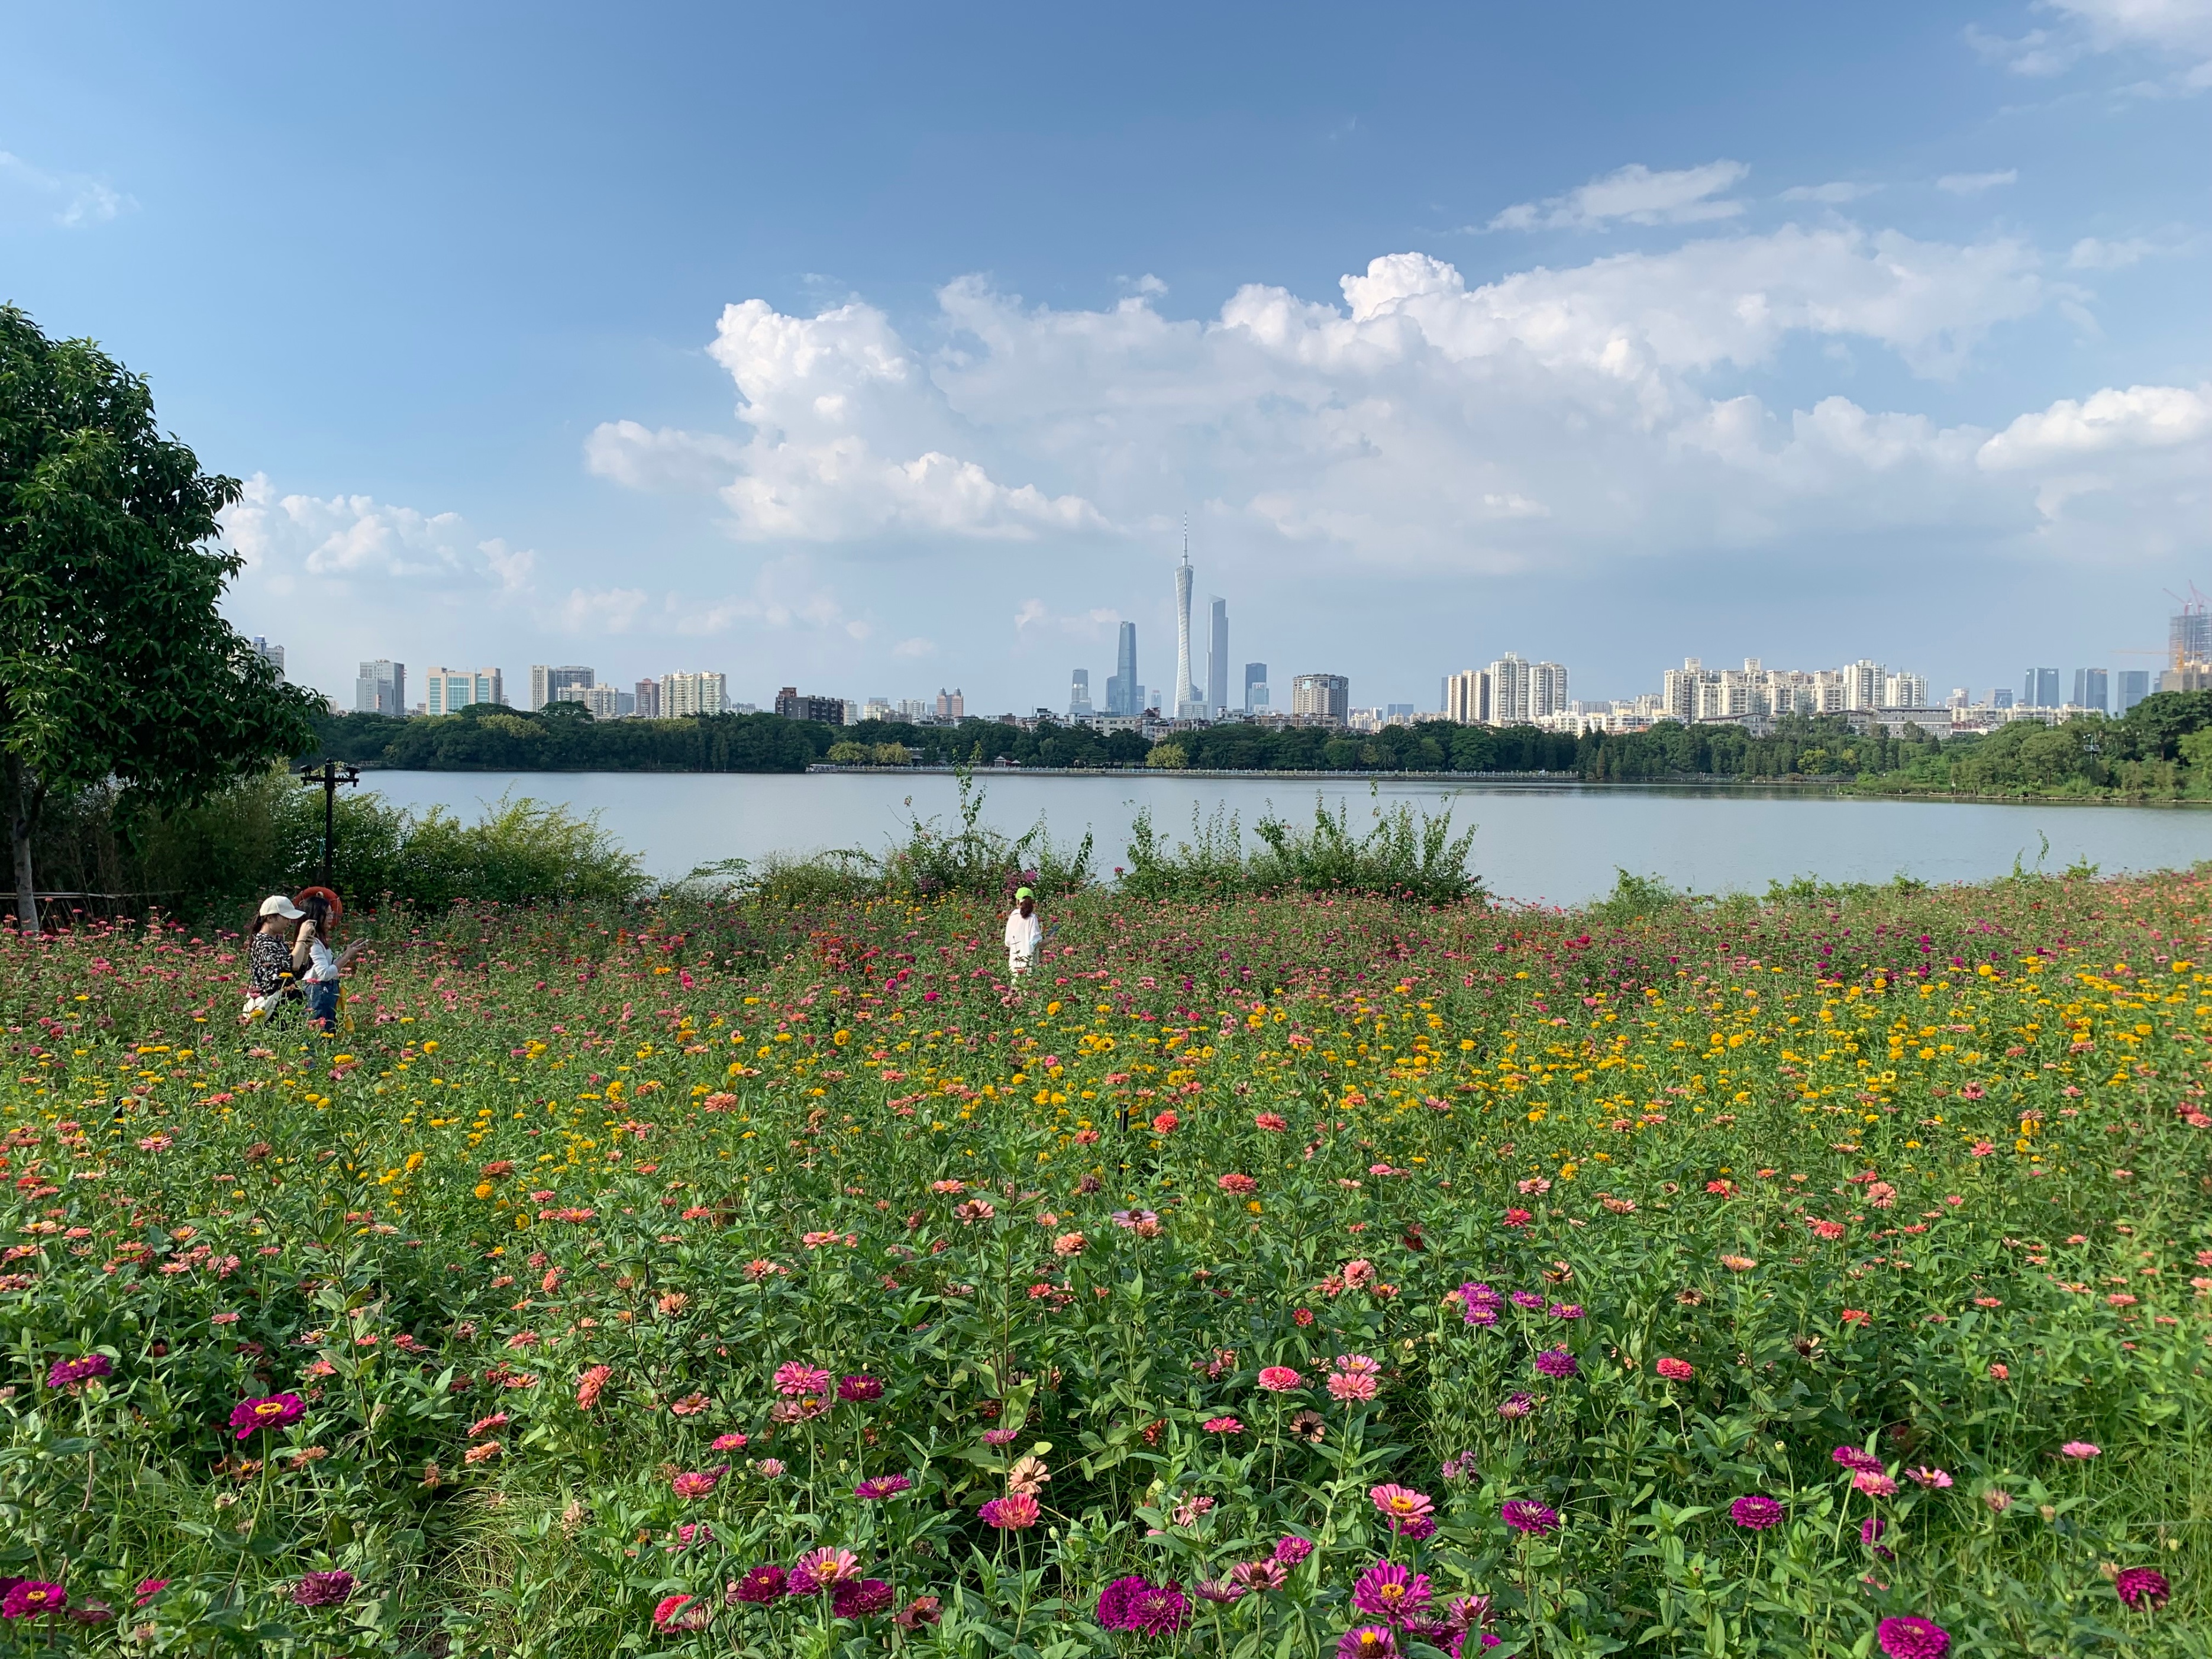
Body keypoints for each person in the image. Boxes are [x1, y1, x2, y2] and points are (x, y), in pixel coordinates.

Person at [292, 890, 366, 1031]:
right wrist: (347, 956)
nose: (331, 918)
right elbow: (325, 974)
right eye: (328, 914)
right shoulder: (313, 943)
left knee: (329, 1029)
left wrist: (348, 951)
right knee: (320, 1032)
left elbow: (328, 967)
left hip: (325, 991)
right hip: (318, 992)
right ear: (318, 916)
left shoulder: (319, 940)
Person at [244, 895, 304, 1020]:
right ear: (270, 918)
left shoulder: (278, 942)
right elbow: (292, 965)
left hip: (284, 1004)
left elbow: (298, 972)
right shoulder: (263, 944)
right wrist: (301, 939)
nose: (289, 922)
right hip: (272, 1007)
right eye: (286, 918)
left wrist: (307, 949)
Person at [1003, 886, 1042, 979]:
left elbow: (1008, 943)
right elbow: (1035, 943)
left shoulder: (1012, 917)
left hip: (1014, 963)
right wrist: (1050, 939)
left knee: (1015, 989)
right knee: (1029, 990)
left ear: (1017, 901)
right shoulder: (1032, 918)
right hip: (1029, 963)